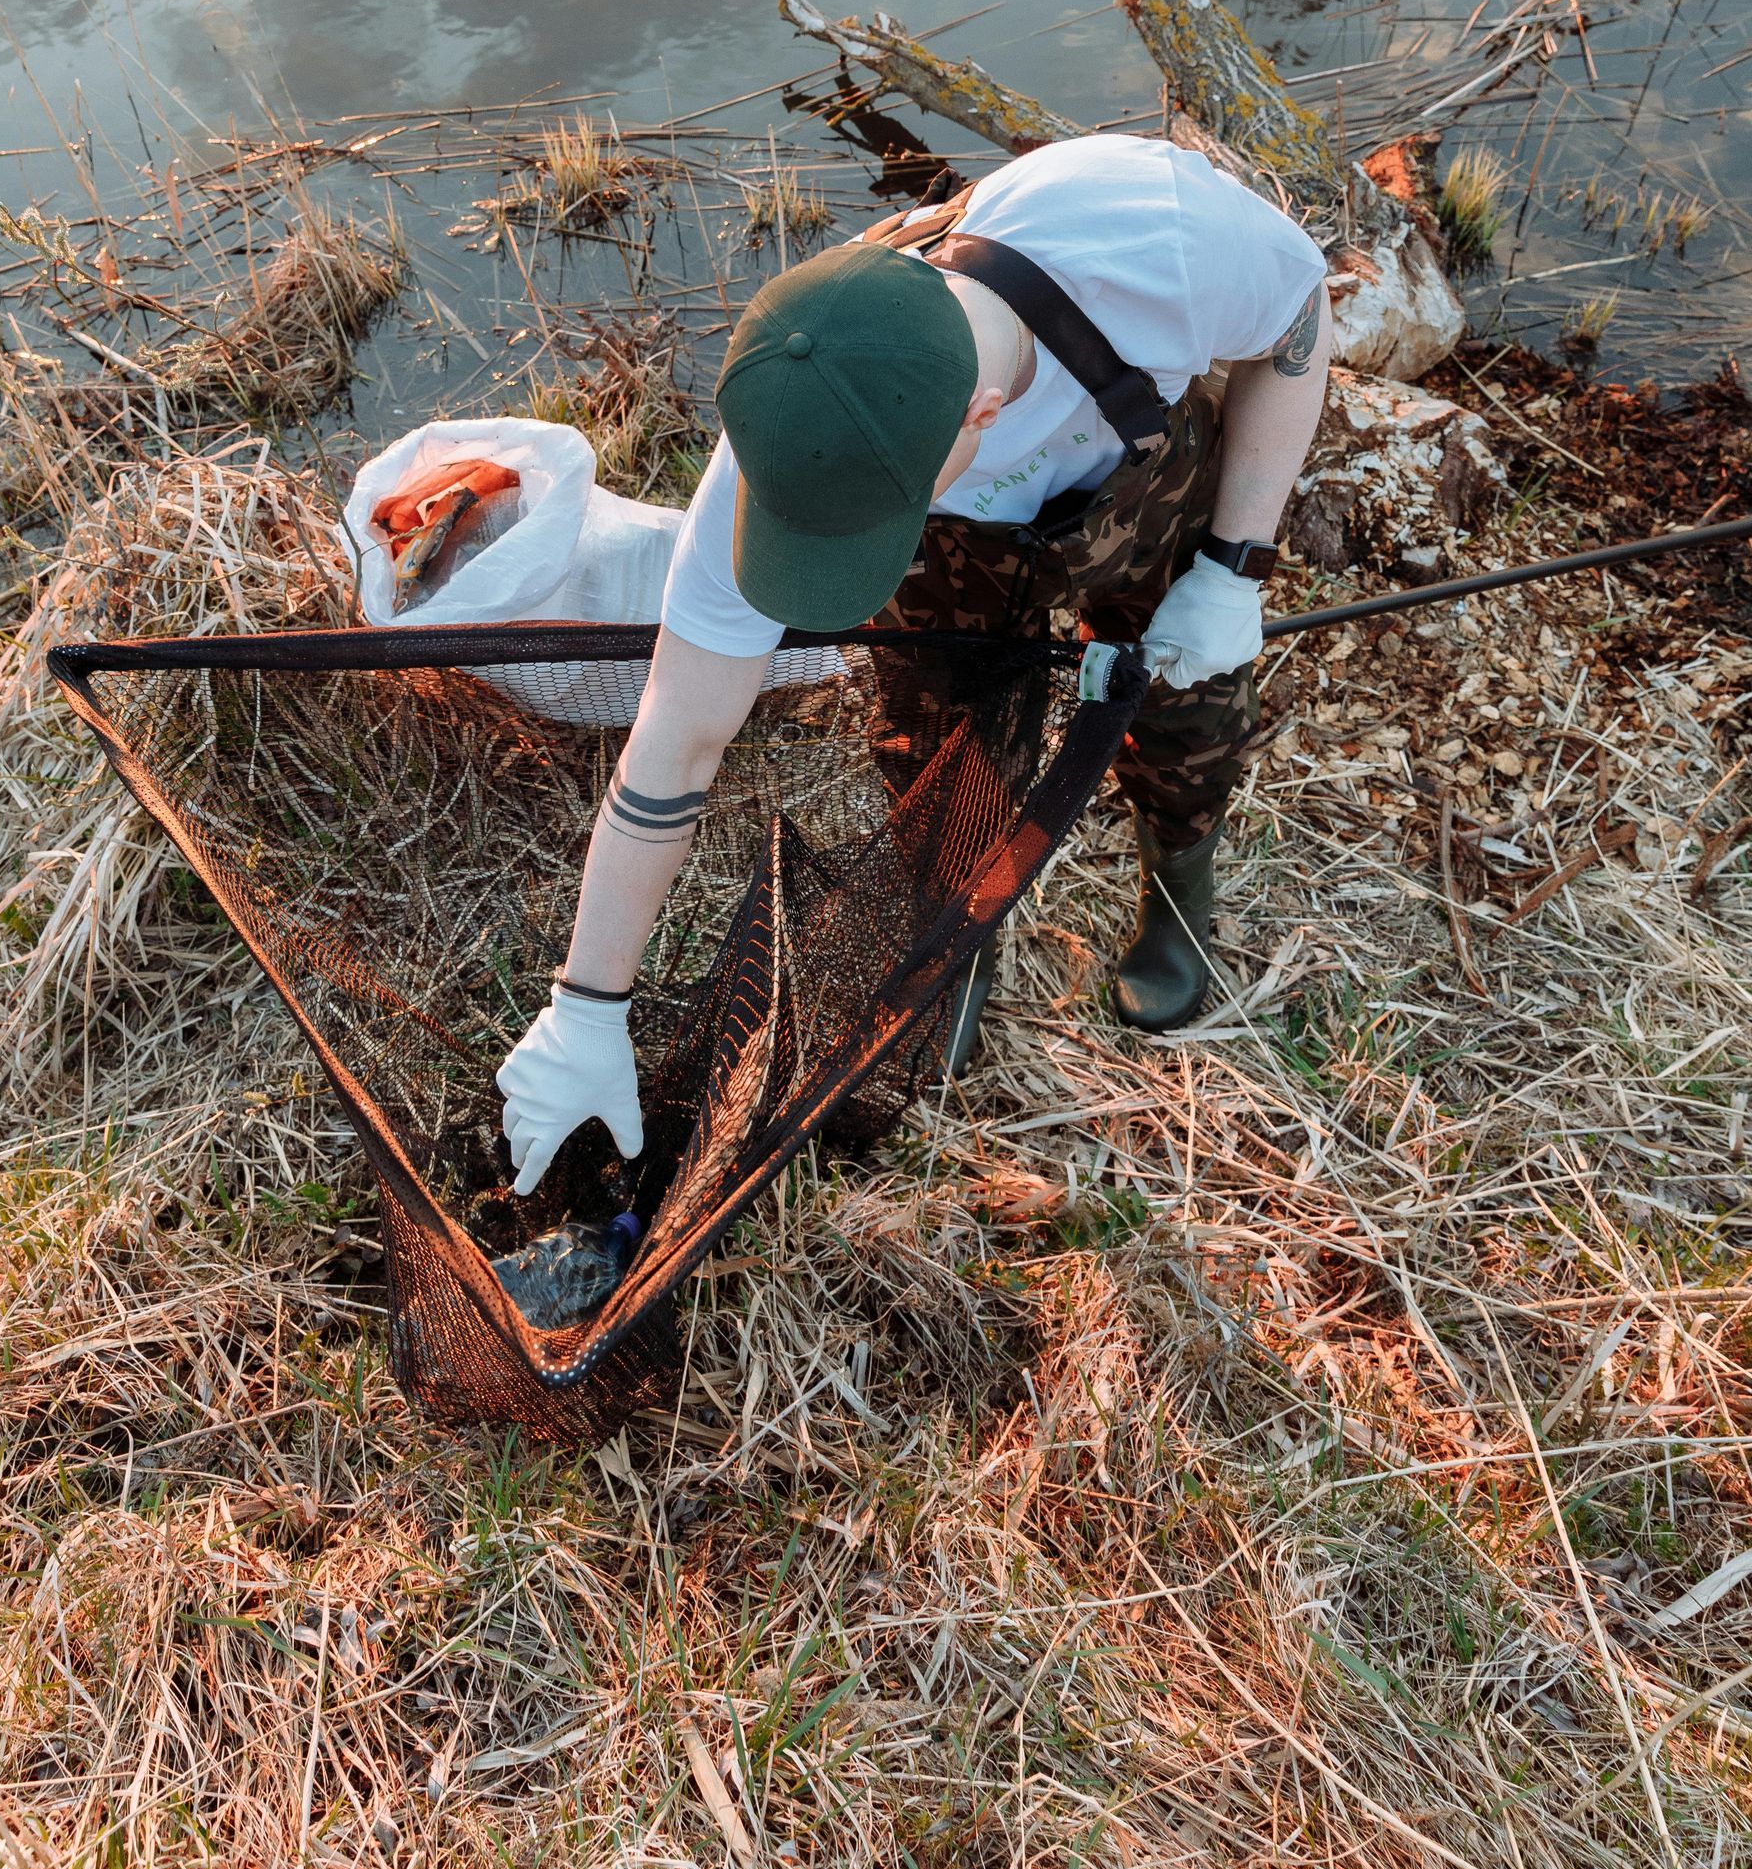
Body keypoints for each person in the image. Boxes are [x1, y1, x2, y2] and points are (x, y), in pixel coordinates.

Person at [497, 131, 1332, 1195]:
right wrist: (584, 1007)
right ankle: (958, 932)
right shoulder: (790, 424)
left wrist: (1234, 567)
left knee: (1182, 710)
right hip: (961, 553)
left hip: (1147, 492)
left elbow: (1300, 315)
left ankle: (1178, 883)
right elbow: (677, 739)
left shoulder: (1152, 235)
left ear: (983, 415)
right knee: (936, 743)